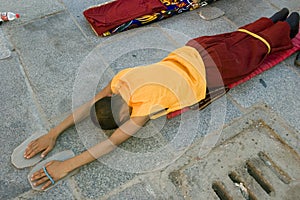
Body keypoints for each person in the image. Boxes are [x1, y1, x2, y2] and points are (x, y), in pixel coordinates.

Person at [24, 9, 299, 190]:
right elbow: (89, 105)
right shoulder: (120, 80)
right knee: (233, 37)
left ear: (125, 116)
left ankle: (286, 27)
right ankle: (272, 19)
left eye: (122, 122)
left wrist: (66, 166)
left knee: (251, 54)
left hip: (216, 69)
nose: (125, 126)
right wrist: (53, 133)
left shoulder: (143, 110)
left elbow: (110, 144)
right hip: (195, 48)